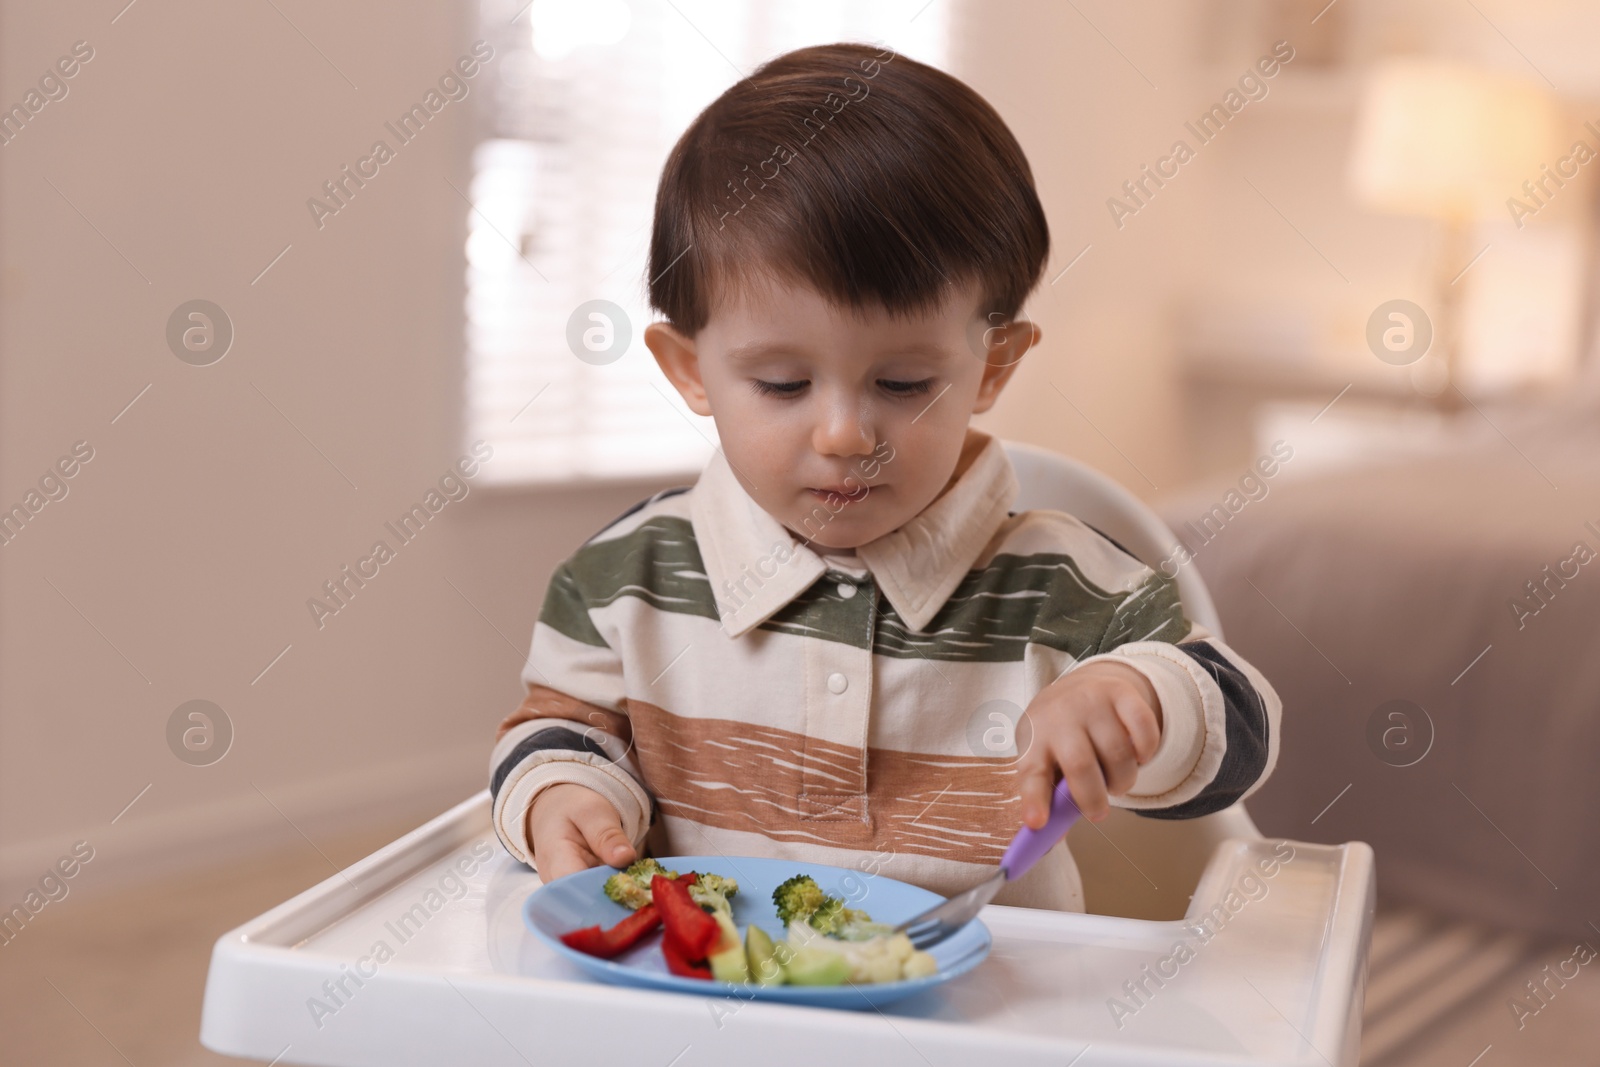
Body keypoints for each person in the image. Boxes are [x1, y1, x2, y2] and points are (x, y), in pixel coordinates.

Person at [487, 42, 1280, 911]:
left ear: (992, 368)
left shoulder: (1062, 584)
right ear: (688, 369)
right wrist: (567, 796)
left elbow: (1240, 723)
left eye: (903, 384)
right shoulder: (623, 581)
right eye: (783, 384)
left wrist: (1142, 698)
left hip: (988, 1024)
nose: (842, 433)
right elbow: (563, 732)